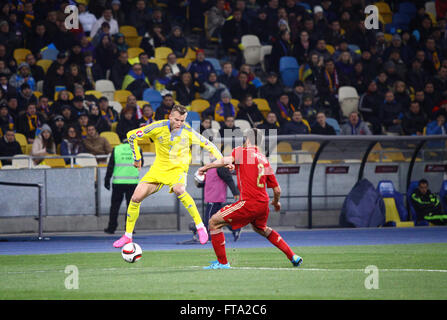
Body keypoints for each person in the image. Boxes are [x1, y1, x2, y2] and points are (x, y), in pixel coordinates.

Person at [112, 104, 224, 248]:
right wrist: (137, 158)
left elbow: (209, 145)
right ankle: (127, 236)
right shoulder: (156, 127)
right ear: (170, 116)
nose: (179, 124)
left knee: (179, 190)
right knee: (135, 197)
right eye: (177, 120)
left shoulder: (188, 131)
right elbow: (131, 136)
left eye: (182, 120)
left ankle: (200, 226)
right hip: (158, 169)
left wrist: (222, 160)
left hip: (178, 169)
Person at [197, 128, 303, 269]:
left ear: (246, 139)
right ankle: (293, 256)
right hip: (263, 204)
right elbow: (277, 189)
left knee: (214, 222)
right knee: (262, 229)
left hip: (248, 203)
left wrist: (206, 167)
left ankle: (223, 263)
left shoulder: (242, 151)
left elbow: (225, 159)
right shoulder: (264, 159)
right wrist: (276, 202)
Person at [104, 140, 142, 234]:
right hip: (132, 182)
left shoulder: (117, 149)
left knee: (115, 206)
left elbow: (111, 166)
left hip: (118, 182)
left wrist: (107, 179)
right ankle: (129, 229)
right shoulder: (137, 149)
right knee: (131, 207)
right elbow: (142, 163)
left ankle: (111, 228)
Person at [199, 155, 241, 241]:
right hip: (212, 197)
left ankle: (209, 237)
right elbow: (207, 182)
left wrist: (235, 192)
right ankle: (235, 229)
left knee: (209, 217)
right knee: (220, 218)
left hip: (215, 197)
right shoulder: (208, 167)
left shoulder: (220, 167)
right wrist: (199, 182)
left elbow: (229, 179)